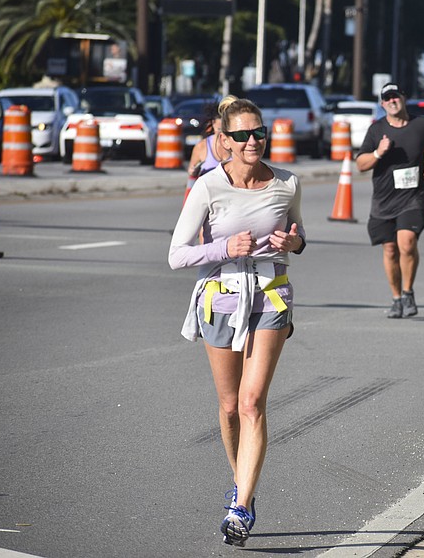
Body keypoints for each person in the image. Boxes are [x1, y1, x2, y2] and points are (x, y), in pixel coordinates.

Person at [168, 96, 306, 547]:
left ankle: (241, 504)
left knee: (251, 402)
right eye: (243, 135)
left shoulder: (287, 183)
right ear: (223, 140)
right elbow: (177, 255)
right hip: (221, 297)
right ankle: (239, 480)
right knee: (229, 408)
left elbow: (300, 235)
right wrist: (223, 250)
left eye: (259, 132)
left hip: (270, 295)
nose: (253, 141)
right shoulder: (208, 186)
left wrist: (295, 241)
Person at [356, 83, 424, 318]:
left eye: (395, 96)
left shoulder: (422, 124)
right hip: (384, 200)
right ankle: (396, 298)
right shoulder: (376, 130)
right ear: (382, 103)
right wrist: (378, 153)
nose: (392, 101)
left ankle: (408, 292)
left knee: (406, 244)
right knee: (389, 249)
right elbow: (361, 164)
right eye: (387, 98)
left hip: (412, 197)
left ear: (403, 98)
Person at [187, 99, 233, 178]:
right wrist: (193, 171)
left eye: (225, 130)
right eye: (219, 130)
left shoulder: (237, 144)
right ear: (213, 123)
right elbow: (191, 173)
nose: (222, 135)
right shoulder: (202, 146)